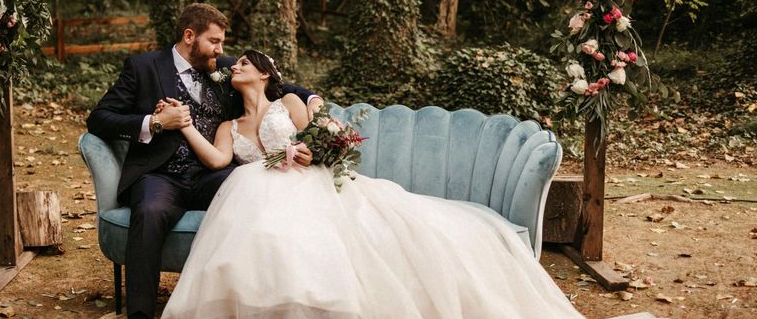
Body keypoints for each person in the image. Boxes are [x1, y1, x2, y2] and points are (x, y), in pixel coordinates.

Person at [161, 49, 584, 319]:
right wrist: (183, 124)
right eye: (234, 65)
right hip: (254, 186)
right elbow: (218, 160)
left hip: (309, 179)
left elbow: (324, 139)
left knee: (363, 231)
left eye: (244, 64)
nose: (234, 66)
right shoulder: (228, 125)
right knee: (266, 236)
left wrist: (314, 152)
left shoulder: (289, 102)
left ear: (265, 75)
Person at [86, 4, 322, 319]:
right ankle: (140, 314)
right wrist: (155, 123)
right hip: (161, 176)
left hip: (214, 171)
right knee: (150, 210)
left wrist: (312, 99)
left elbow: (277, 84)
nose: (221, 50)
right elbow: (100, 119)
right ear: (189, 36)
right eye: (214, 41)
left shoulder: (223, 67)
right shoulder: (142, 68)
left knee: (255, 192)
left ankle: (253, 303)